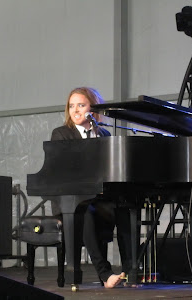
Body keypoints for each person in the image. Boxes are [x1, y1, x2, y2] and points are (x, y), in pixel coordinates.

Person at [51, 87, 131, 288]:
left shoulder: (104, 133)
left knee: (126, 209)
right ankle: (105, 275)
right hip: (71, 200)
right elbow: (64, 170)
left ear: (93, 109)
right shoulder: (61, 134)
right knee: (85, 211)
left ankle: (131, 270)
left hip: (99, 197)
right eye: (71, 106)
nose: (75, 110)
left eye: (81, 105)